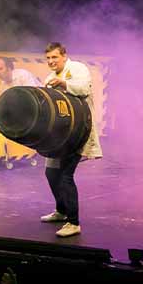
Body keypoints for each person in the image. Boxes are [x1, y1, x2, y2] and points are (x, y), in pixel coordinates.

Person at [39, 42, 102, 238]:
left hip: (77, 132)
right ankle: (62, 211)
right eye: (48, 58)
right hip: (59, 135)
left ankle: (74, 223)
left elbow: (84, 89)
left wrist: (64, 84)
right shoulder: (50, 78)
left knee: (66, 175)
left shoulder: (77, 68)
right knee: (51, 173)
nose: (51, 61)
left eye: (55, 57)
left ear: (64, 56)